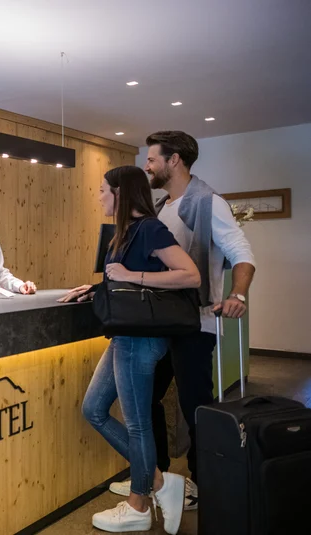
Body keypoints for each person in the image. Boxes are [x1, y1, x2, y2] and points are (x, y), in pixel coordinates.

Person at [107, 131, 256, 510]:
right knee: (148, 399)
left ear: (174, 160)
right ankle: (151, 476)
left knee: (195, 406)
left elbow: (241, 251)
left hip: (195, 323)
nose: (148, 166)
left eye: (152, 159)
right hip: (160, 323)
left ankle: (202, 486)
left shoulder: (208, 203)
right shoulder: (162, 205)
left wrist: (237, 294)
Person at [60, 166, 201, 534]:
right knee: (94, 409)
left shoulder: (150, 228)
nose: (99, 197)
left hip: (142, 338)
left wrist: (130, 276)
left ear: (120, 193)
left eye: (103, 190)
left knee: (138, 424)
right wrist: (96, 288)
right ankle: (158, 481)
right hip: (125, 335)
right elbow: (123, 279)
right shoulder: (123, 233)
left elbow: (189, 274)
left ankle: (139, 504)